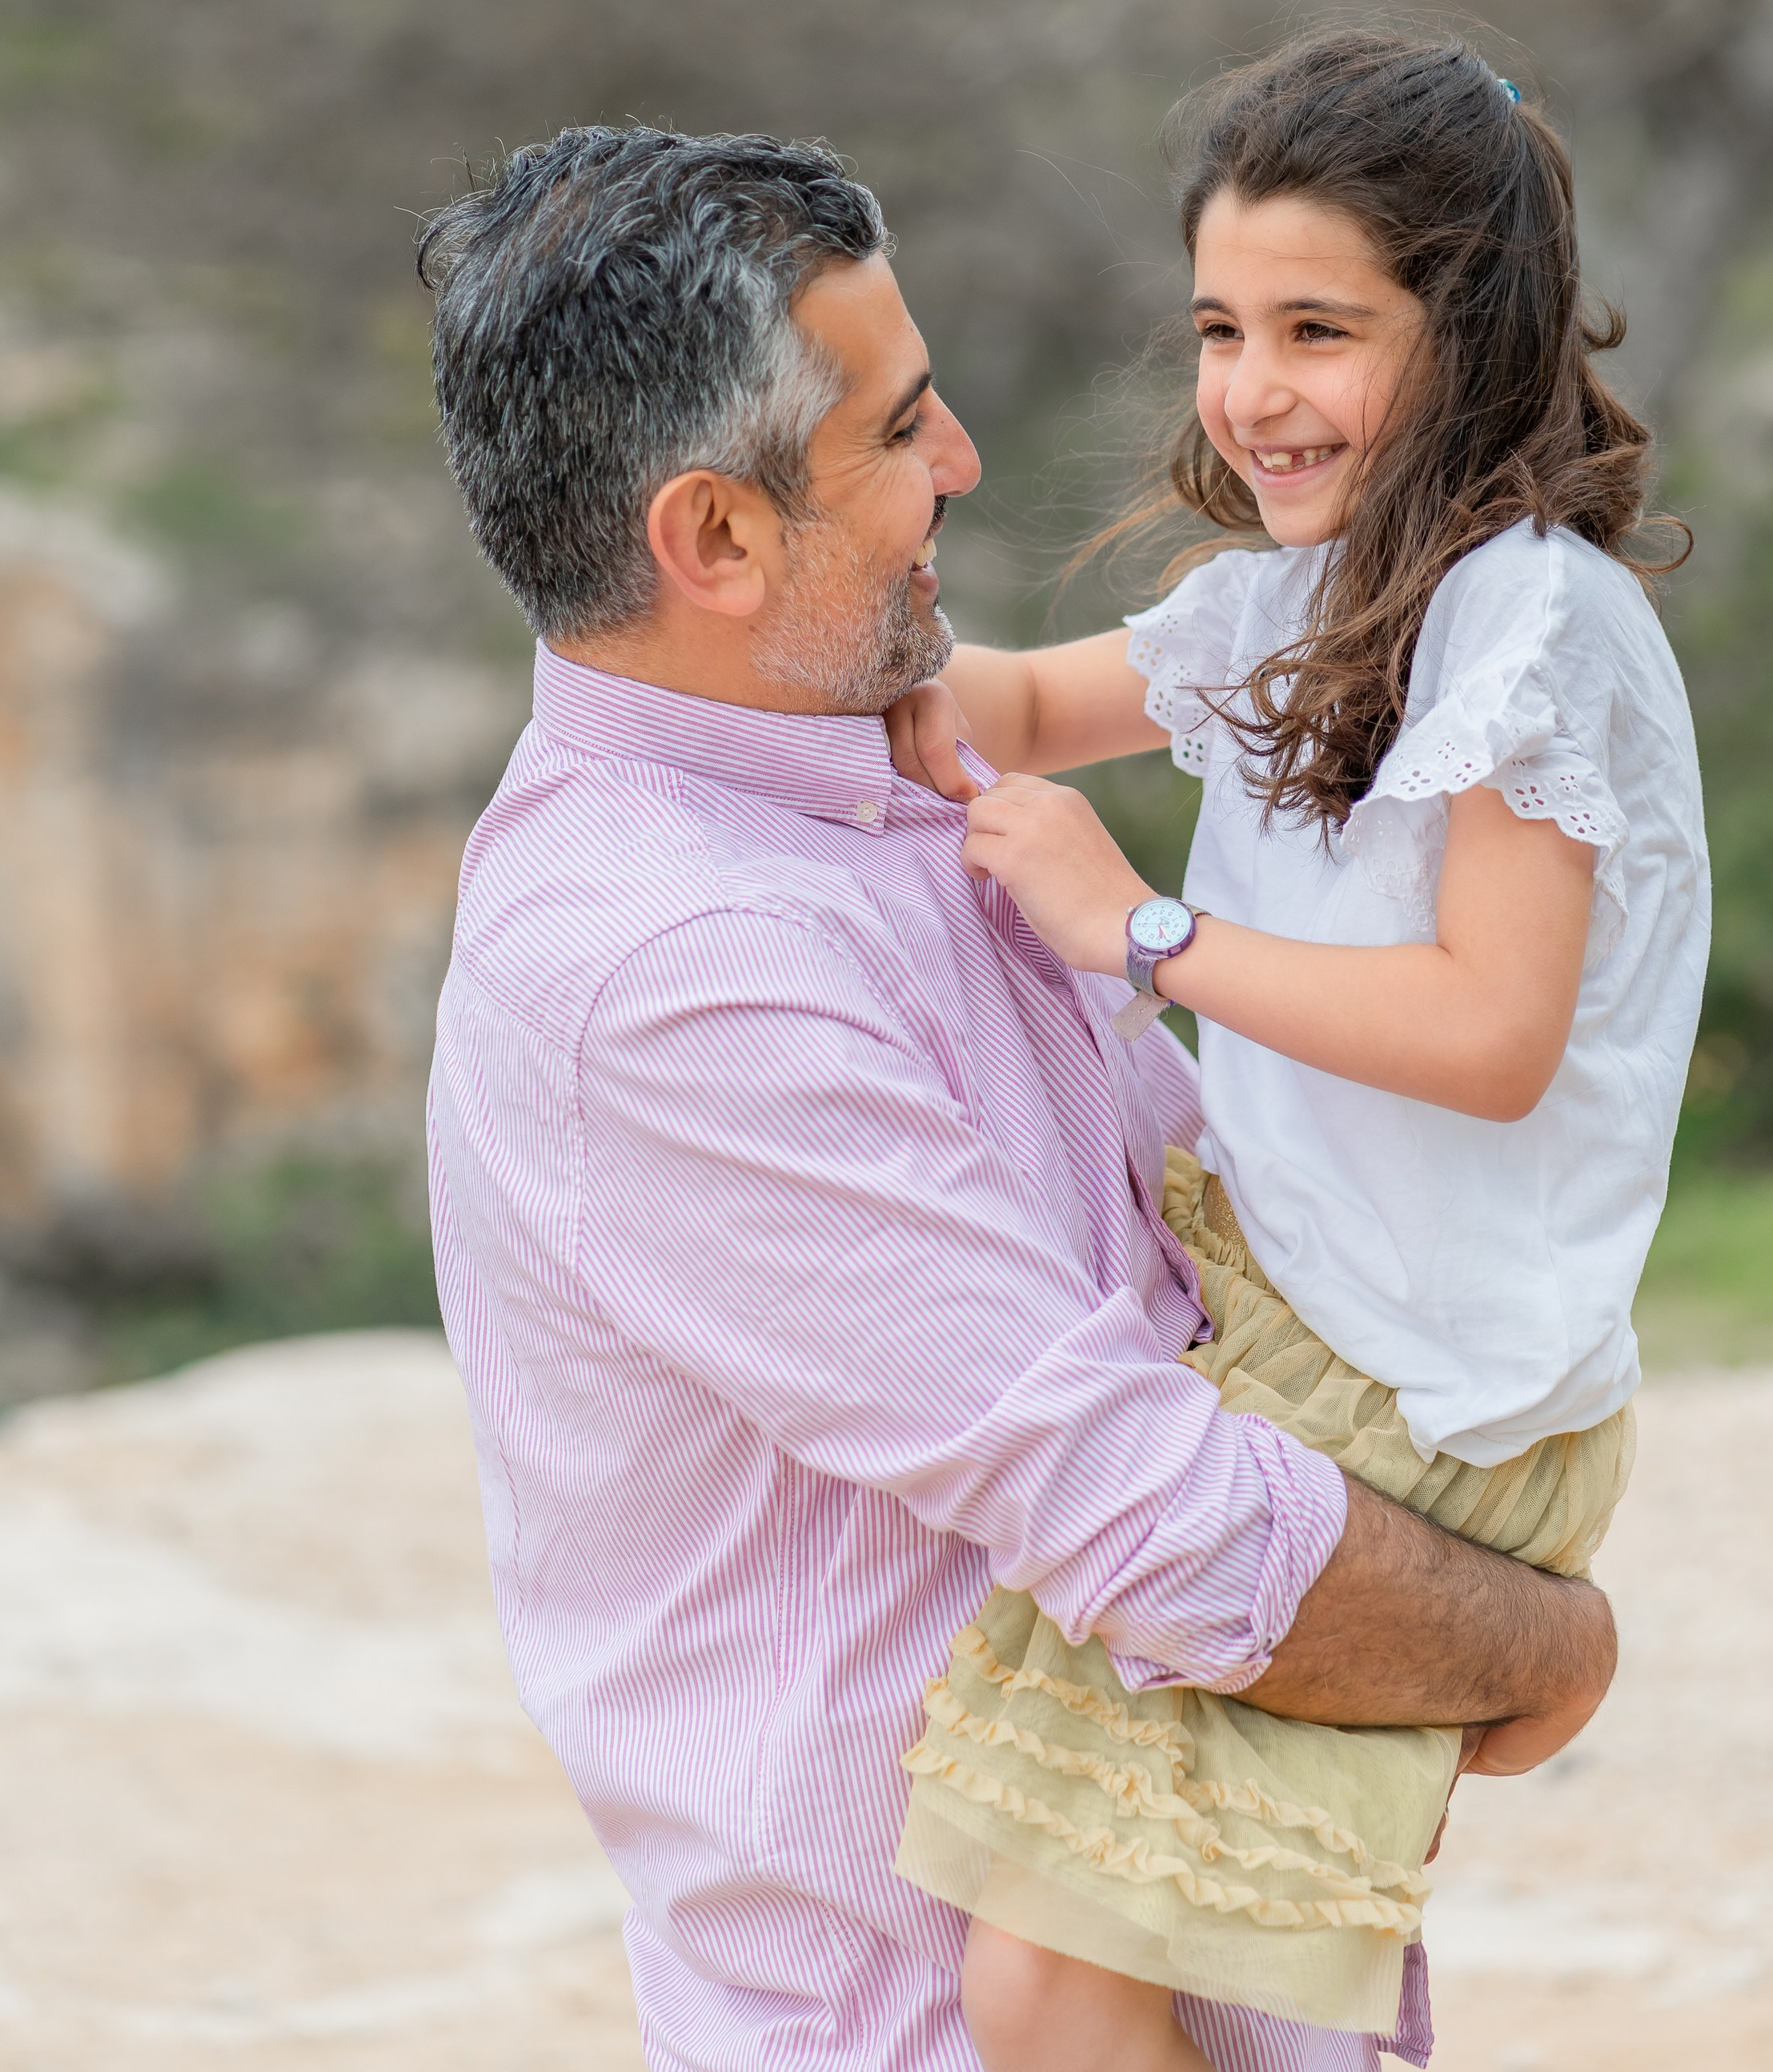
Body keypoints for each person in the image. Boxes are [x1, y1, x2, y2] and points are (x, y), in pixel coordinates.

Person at [419, 120, 1616, 2072]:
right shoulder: (669, 974)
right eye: (897, 433)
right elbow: (1145, 1516)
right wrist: (1543, 1644)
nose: (961, 459)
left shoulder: (868, 766)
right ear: (712, 540)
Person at [885, 29, 1711, 2068]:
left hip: (1423, 1392)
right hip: (1302, 1350)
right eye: (1218, 327)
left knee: (1053, 1981)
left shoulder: (1531, 620)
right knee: (1060, 1975)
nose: (1252, 390)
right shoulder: (1298, 601)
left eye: (1319, 328)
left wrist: (1139, 929)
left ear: (1472, 330)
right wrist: (761, 589)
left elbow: (1490, 1033)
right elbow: (994, 699)